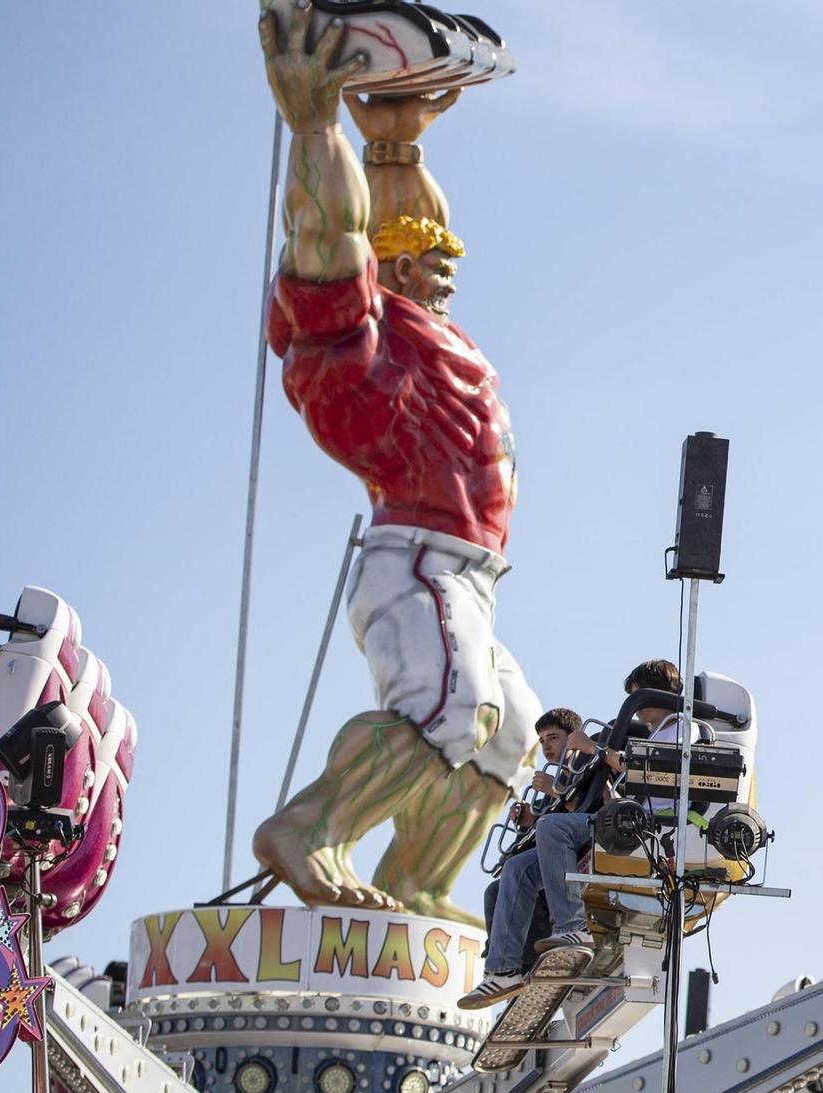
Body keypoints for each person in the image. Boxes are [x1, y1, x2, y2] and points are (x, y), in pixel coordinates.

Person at [252, 9, 538, 923]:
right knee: (444, 706)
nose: (443, 259)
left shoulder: (427, 332)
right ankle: (310, 826)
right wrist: (315, 125)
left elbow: (404, 217)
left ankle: (416, 878)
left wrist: (396, 141)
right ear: (382, 271)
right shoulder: (350, 338)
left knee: (511, 733)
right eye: (420, 257)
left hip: (469, 571)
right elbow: (331, 226)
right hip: (414, 556)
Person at [459, 660, 689, 1009]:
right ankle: (502, 971)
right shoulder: (656, 733)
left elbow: (654, 773)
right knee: (519, 869)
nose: (638, 710)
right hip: (621, 820)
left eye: (639, 698)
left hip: (644, 828)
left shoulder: (681, 730)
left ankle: (573, 926)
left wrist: (598, 755)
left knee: (552, 826)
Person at [481, 708, 582, 966]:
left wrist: (557, 790)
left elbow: (590, 809)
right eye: (542, 741)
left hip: (578, 855)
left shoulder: (586, 766)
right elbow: (548, 826)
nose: (546, 746)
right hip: (554, 861)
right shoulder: (554, 777)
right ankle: (505, 962)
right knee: (496, 889)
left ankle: (569, 929)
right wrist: (528, 822)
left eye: (553, 738)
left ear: (573, 737)